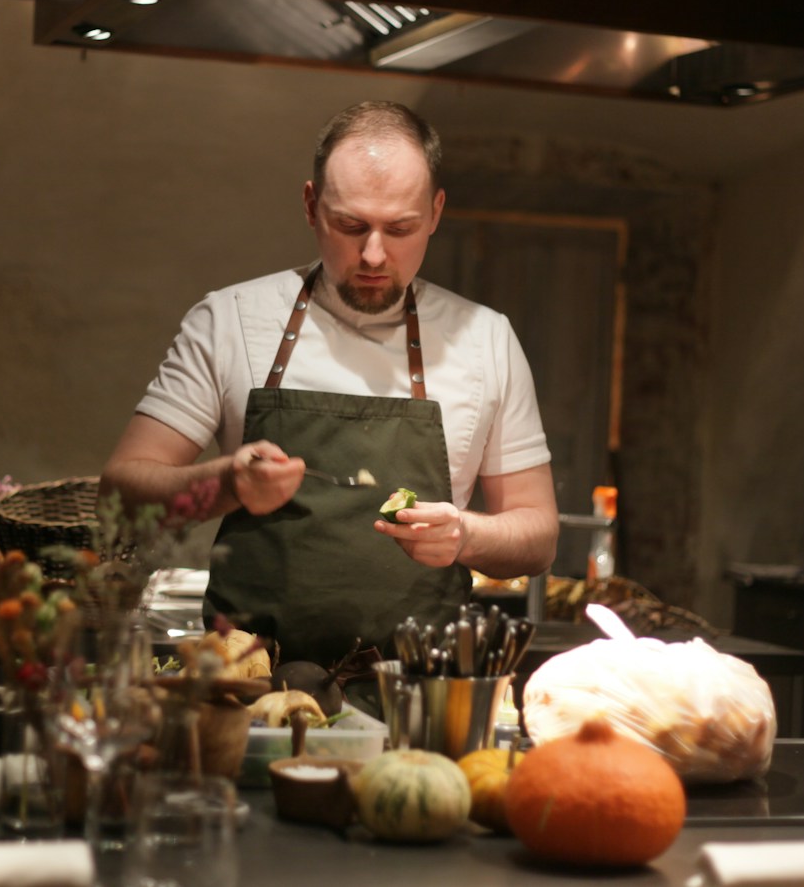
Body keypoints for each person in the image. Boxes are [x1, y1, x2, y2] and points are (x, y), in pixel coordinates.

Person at [101, 100, 558, 665]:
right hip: (247, 689)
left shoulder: (485, 338)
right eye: (350, 226)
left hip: (415, 690)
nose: (373, 255)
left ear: (436, 213)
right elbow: (120, 495)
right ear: (312, 205)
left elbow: (538, 535)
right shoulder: (230, 320)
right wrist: (227, 483)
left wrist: (464, 534)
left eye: (400, 229)